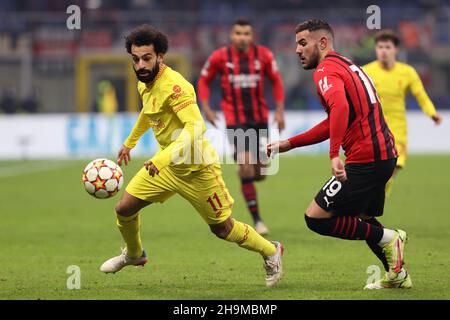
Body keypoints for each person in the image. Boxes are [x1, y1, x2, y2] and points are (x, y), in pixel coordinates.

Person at [99, 24, 283, 287]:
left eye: (147, 58)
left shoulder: (175, 87)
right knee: (125, 208)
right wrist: (130, 143)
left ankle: (271, 251)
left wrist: (161, 158)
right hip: (166, 167)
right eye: (135, 59)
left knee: (223, 229)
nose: (140, 65)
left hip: (197, 169)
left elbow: (196, 127)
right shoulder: (145, 82)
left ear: (160, 56)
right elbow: (148, 112)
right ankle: (134, 254)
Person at [267, 19, 411, 289]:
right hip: (384, 156)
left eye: (302, 43)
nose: (297, 50)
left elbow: (340, 108)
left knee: (315, 217)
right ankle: (398, 273)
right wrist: (291, 143)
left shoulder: (324, 71)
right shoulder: (346, 64)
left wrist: (334, 154)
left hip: (365, 159)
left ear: (322, 43)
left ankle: (392, 238)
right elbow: (337, 117)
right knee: (365, 218)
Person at [197, 19, 285, 235]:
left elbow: (276, 81)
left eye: (246, 33)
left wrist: (280, 111)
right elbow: (203, 81)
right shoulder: (220, 57)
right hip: (235, 120)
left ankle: (246, 172)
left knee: (261, 172)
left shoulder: (263, 55)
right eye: (238, 33)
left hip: (260, 119)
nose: (242, 37)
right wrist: (206, 107)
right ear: (231, 35)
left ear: (251, 36)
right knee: (246, 165)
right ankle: (258, 220)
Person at [363, 30, 442, 196]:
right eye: (380, 47)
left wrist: (432, 113)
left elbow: (421, 96)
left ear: (395, 50)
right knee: (370, 175)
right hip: (372, 129)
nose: (383, 51)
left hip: (397, 131)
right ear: (376, 49)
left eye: (387, 47)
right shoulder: (366, 71)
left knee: (391, 172)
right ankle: (369, 207)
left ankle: (374, 204)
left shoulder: (407, 72)